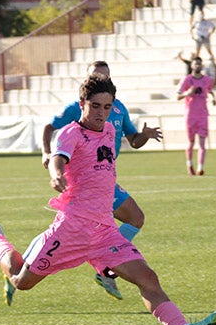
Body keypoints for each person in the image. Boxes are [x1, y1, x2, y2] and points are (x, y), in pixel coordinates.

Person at [0, 74, 216, 325]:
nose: (101, 113)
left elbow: (114, 154)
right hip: (71, 229)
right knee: (21, 281)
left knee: (148, 278)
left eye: (107, 107)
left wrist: (141, 136)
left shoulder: (109, 131)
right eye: (95, 106)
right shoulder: (71, 132)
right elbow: (59, 157)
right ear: (82, 103)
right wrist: (56, 173)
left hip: (105, 231)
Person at [41, 61, 163, 300]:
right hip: (84, 181)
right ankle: (105, 267)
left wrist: (145, 136)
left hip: (105, 178)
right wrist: (48, 154)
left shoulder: (117, 109)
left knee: (134, 219)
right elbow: (49, 128)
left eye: (106, 76)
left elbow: (133, 141)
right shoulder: (78, 109)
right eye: (97, 76)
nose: (102, 79)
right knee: (126, 219)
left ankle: (105, 266)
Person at [177, 56, 216, 175]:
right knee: (191, 142)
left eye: (200, 64)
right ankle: (189, 164)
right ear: (192, 66)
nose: (198, 66)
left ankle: (200, 168)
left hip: (203, 115)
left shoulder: (207, 80)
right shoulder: (187, 80)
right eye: (196, 64)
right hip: (190, 115)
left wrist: (212, 98)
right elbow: (178, 96)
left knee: (202, 143)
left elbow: (209, 91)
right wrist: (188, 93)